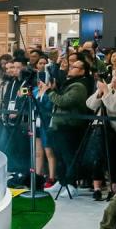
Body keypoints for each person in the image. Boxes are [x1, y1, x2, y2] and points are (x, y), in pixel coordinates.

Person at [39, 58, 90, 195]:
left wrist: (49, 92)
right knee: (59, 155)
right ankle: (61, 181)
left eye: (75, 67)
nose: (71, 68)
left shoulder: (79, 86)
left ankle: (71, 185)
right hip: (60, 125)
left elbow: (64, 102)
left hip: (69, 126)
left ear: (83, 71)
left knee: (69, 156)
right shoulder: (69, 84)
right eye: (71, 66)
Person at [86, 69, 116, 201]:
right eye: (115, 76)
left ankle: (113, 189)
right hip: (99, 127)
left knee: (114, 160)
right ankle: (97, 188)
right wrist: (99, 93)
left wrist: (106, 93)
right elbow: (90, 104)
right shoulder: (106, 87)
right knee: (97, 158)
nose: (115, 79)